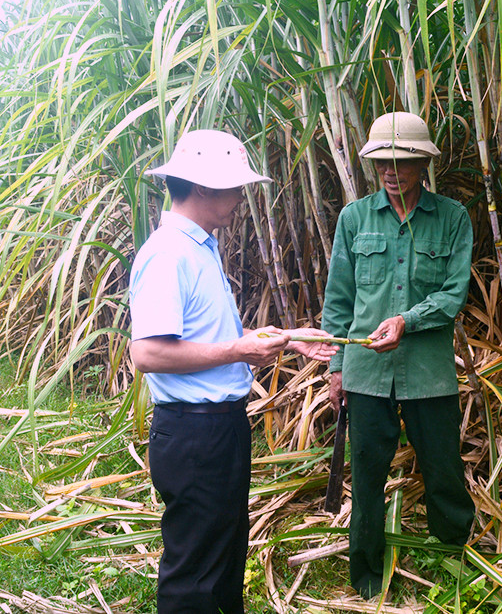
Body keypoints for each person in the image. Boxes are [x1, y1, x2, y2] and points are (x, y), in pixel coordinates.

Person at [129, 129, 337, 613]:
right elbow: (149, 354)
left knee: (222, 556)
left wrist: (279, 338)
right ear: (203, 187)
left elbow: (205, 335)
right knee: (194, 573)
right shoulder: (168, 253)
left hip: (218, 430)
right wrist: (238, 352)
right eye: (235, 187)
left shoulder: (199, 246)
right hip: (194, 434)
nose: (241, 198)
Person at [321, 111, 475, 599]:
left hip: (428, 373)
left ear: (423, 164)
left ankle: (453, 559)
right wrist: (336, 367)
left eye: (402, 162)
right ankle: (366, 575)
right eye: (383, 162)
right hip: (366, 372)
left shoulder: (451, 218)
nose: (391, 171)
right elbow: (339, 298)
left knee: (443, 468)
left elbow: (454, 294)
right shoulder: (355, 218)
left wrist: (408, 321)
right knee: (365, 477)